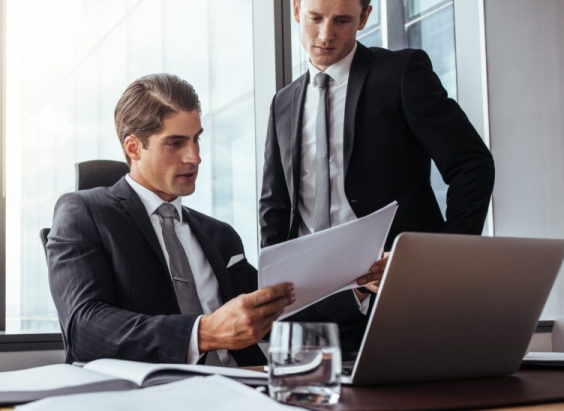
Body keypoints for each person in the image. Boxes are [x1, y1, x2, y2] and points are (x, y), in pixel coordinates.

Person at [259, 0, 495, 353]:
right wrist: (275, 294)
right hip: (310, 307)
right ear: (295, 10)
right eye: (315, 18)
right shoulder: (283, 102)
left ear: (365, 17)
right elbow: (274, 205)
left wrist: (439, 259)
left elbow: (472, 165)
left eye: (342, 20)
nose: (326, 34)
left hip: (397, 294)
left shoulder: (402, 73)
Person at [46, 73, 296, 367]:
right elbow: (85, 328)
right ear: (134, 147)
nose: (194, 157)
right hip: (151, 396)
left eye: (196, 139)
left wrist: (354, 287)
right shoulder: (84, 212)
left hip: (247, 385)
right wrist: (203, 334)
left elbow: (278, 305)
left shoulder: (220, 235)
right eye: (175, 143)